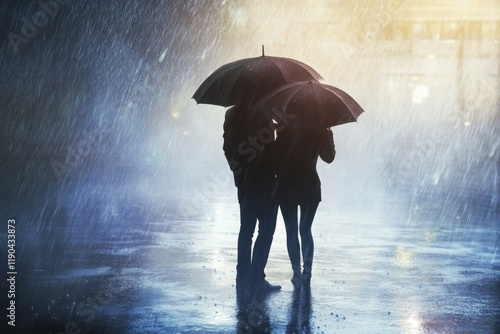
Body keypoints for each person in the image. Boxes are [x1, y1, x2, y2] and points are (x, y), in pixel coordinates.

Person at [223, 97, 281, 294]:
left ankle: (243, 275)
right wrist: (274, 131)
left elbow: (227, 147)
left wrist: (238, 170)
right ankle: (257, 277)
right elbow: (271, 152)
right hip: (265, 182)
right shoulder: (266, 113)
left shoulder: (232, 113)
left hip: (245, 183)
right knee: (266, 229)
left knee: (246, 229)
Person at [274, 126, 335, 286]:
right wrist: (328, 134)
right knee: (305, 229)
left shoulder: (284, 127)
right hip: (309, 185)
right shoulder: (318, 128)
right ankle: (307, 272)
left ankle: (297, 272)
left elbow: (275, 157)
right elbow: (328, 157)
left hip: (287, 185)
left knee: (292, 231)